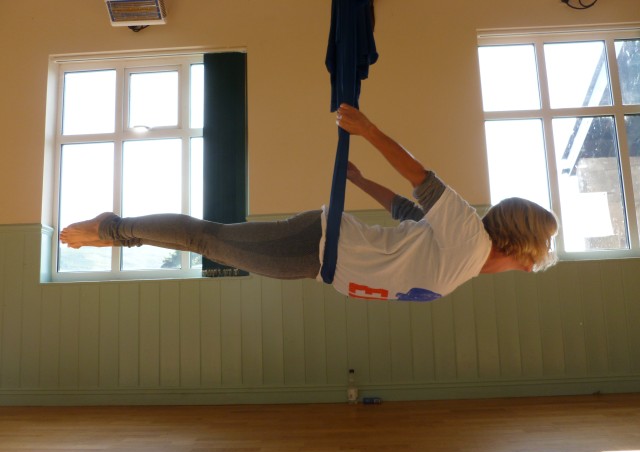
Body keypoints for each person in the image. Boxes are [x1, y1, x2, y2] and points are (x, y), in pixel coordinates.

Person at [61, 104, 558, 302]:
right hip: (316, 247)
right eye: (528, 263)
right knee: (204, 238)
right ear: (518, 248)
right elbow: (418, 178)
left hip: (317, 260)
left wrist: (360, 180)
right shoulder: (470, 236)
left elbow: (407, 213)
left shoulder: (462, 254)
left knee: (207, 240)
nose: (523, 269)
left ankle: (115, 229)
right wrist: (366, 131)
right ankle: (112, 228)